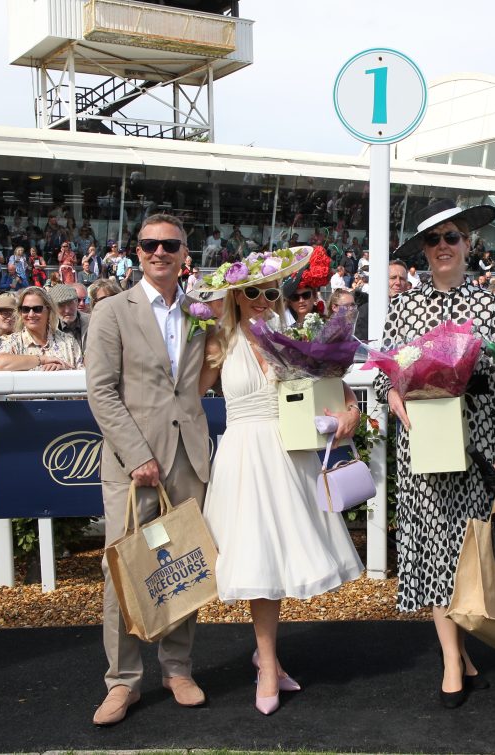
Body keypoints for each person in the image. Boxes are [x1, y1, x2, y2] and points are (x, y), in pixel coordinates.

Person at [196, 251, 363, 715]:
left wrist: (351, 412)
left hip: (291, 455)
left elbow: (337, 384)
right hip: (243, 459)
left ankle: (266, 657)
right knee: (256, 560)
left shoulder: (294, 335)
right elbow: (186, 399)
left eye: (270, 292)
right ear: (235, 294)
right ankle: (267, 663)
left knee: (282, 558)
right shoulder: (216, 341)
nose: (262, 300)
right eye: (252, 291)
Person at [374, 199, 495, 709]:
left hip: (477, 445)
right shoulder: (404, 308)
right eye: (433, 240)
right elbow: (385, 373)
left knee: (468, 553)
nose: (442, 247)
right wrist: (393, 394)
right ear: (422, 251)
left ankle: (466, 653)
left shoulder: (493, 306)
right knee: (435, 552)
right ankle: (452, 661)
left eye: (451, 238)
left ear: (467, 245)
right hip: (424, 447)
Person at [84, 214, 211, 726]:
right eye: (149, 244)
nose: (159, 252)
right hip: (132, 462)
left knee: (183, 564)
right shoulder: (113, 311)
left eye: (169, 245)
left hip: (190, 456)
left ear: (185, 253)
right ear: (136, 252)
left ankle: (177, 667)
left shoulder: (202, 311)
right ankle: (122, 681)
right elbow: (101, 390)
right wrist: (136, 453)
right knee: (123, 571)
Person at [0, 287, 83, 372]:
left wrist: (64, 369)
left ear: (49, 310)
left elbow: (82, 374)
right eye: (25, 309)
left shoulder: (68, 341)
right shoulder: (13, 342)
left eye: (37, 309)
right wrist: (42, 359)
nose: (31, 314)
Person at [280, 246, 330, 327]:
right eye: (295, 297)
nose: (301, 300)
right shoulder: (281, 325)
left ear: (314, 296)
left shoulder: (326, 325)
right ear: (290, 301)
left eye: (306, 295)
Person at [49, 283, 90, 352]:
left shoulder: (91, 322)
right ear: (53, 307)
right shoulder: (48, 327)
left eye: (70, 303)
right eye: (61, 305)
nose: (67, 310)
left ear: (76, 302)